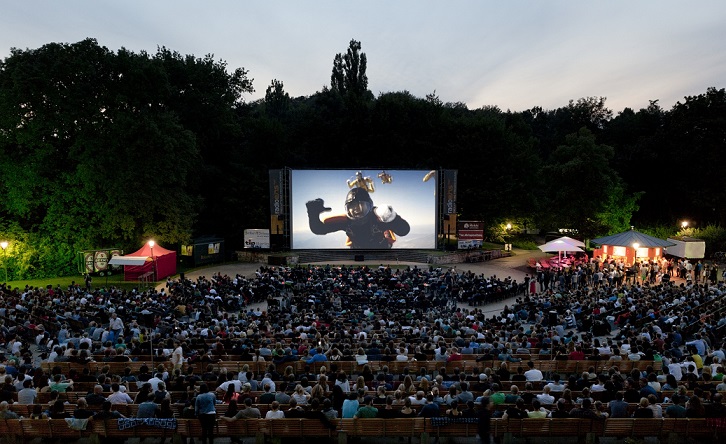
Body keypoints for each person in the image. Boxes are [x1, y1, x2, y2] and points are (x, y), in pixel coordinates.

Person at [306, 186, 410, 249]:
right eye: (352, 208)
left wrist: (393, 217)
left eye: (361, 207)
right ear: (347, 210)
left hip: (380, 250)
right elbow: (318, 229)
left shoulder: (378, 217)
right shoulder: (346, 221)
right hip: (359, 252)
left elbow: (404, 230)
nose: (356, 211)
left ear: (370, 207)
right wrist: (313, 213)